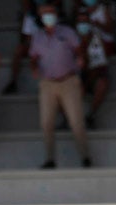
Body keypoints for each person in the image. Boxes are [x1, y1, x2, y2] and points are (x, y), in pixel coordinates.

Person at [29, 3, 92, 169]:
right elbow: (33, 57)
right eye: (45, 13)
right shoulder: (37, 37)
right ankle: (50, 159)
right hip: (48, 83)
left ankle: (85, 157)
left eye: (51, 12)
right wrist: (34, 67)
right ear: (41, 17)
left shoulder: (67, 32)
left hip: (68, 81)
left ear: (56, 14)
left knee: (76, 121)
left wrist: (80, 60)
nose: (48, 16)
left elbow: (79, 50)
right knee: (46, 123)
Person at [75, 6, 110, 129]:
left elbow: (101, 65)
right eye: (80, 22)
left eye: (85, 22)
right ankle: (72, 119)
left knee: (103, 83)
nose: (82, 24)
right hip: (74, 77)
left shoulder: (96, 39)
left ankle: (90, 116)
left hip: (91, 75)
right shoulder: (70, 39)